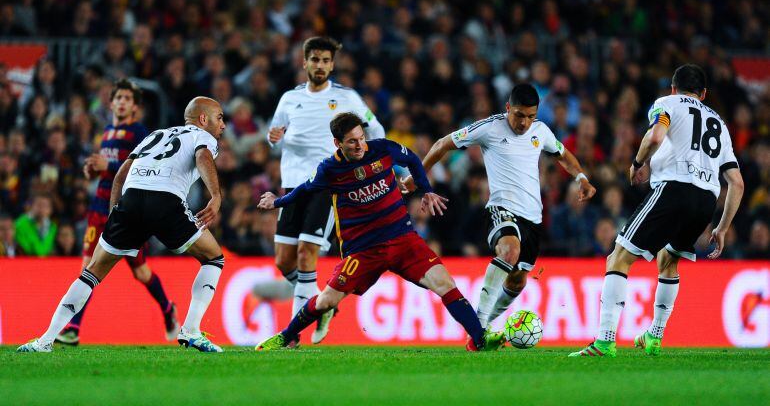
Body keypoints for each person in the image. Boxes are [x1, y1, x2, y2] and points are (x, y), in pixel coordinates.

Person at [255, 112, 505, 352]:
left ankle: (479, 339)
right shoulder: (330, 169)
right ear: (337, 143)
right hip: (364, 251)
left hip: (403, 240)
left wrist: (425, 189)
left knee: (444, 283)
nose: (360, 145)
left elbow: (413, 160)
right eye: (352, 141)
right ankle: (285, 336)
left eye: (361, 138)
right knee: (326, 301)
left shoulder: (382, 148)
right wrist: (277, 202)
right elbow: (304, 191)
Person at [18, 97, 227, 353]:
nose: (223, 125)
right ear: (203, 119)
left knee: (91, 272)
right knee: (214, 258)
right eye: (219, 118)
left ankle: (44, 340)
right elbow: (203, 156)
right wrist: (215, 196)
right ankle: (191, 330)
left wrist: (115, 216)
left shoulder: (156, 134)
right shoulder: (202, 137)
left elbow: (120, 175)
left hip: (130, 201)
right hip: (165, 200)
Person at [570, 64, 744, 357]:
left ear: (674, 88)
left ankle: (604, 341)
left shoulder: (667, 103)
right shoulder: (720, 124)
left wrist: (638, 163)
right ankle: (654, 336)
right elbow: (736, 183)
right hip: (706, 202)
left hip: (674, 189)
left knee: (618, 258)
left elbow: (655, 137)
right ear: (703, 93)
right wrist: (722, 227)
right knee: (668, 261)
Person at [402, 84, 596, 329]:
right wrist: (415, 178)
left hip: (532, 217)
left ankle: (483, 324)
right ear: (507, 108)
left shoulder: (541, 131)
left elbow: (563, 155)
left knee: (517, 281)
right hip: (500, 208)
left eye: (530, 116)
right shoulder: (490, 127)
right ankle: (479, 328)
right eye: (519, 115)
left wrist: (582, 178)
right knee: (509, 251)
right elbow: (442, 144)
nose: (524, 123)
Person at [267, 36, 385, 345]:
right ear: (304, 62)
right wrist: (273, 137)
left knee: (307, 253)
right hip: (293, 184)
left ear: (332, 65)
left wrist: (360, 165)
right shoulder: (289, 99)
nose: (320, 65)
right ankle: (321, 305)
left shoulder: (348, 98)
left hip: (328, 185)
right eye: (314, 59)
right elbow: (273, 134)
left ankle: (292, 335)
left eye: (325, 60)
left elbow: (377, 131)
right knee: (283, 260)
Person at [57, 79, 179, 346]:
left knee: (141, 272)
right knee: (88, 266)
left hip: (126, 212)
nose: (122, 102)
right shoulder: (108, 131)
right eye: (118, 98)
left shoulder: (139, 132)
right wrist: (94, 170)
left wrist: (108, 164)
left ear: (135, 106)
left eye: (127, 98)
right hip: (98, 208)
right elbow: (109, 170)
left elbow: (142, 167)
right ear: (111, 103)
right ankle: (74, 328)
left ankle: (167, 309)